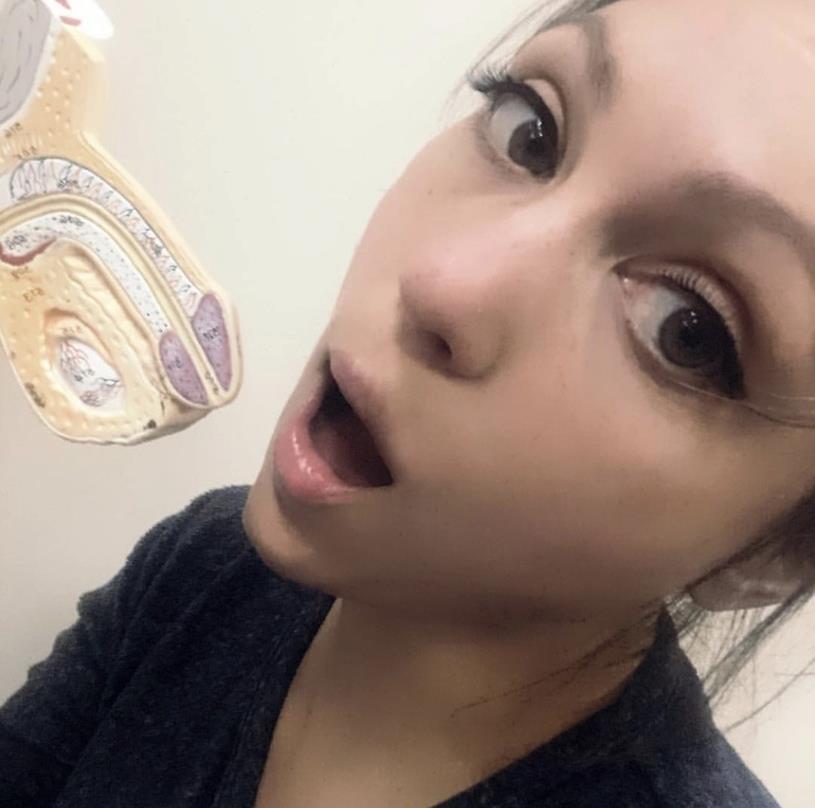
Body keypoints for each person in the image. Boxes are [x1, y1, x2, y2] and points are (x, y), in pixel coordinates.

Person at [2, 0, 814, 804]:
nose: (441, 282)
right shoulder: (205, 570)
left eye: (684, 327)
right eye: (530, 132)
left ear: (771, 556)